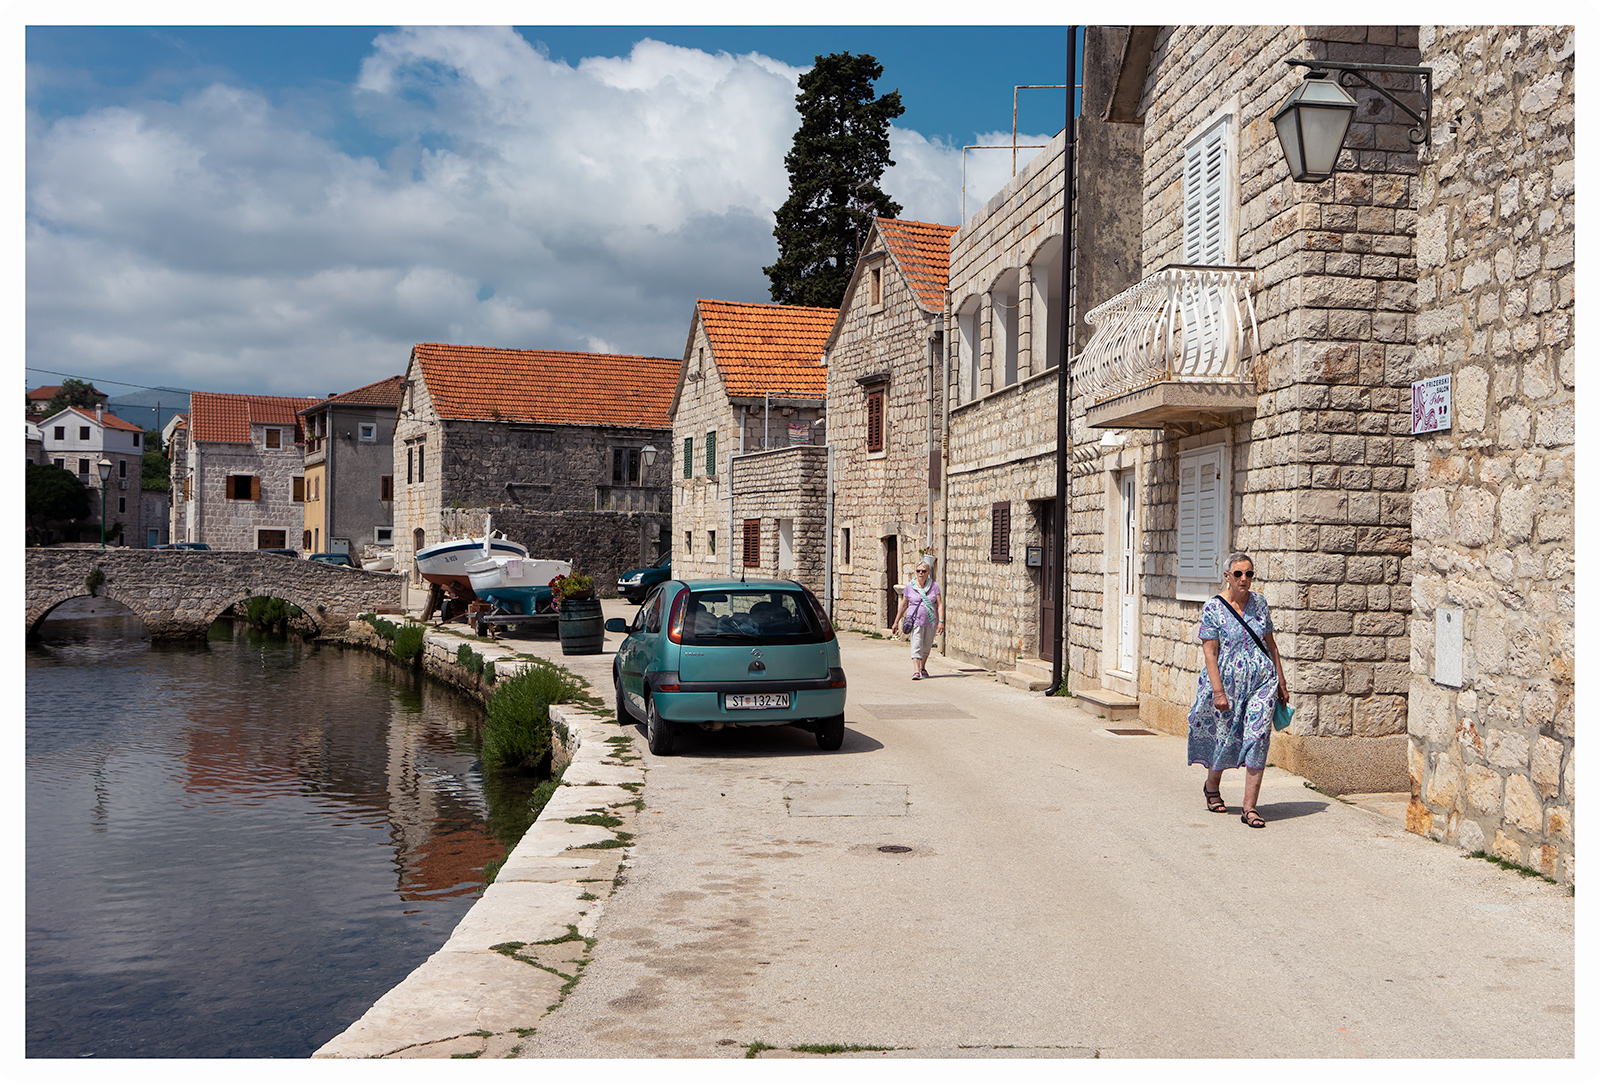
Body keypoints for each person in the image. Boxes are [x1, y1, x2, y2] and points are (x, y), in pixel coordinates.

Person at [1189, 552, 1288, 828]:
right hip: (1228, 686)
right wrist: (1218, 692)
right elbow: (1210, 653)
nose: (1244, 579)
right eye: (1238, 574)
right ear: (1227, 576)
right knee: (1225, 739)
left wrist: (1281, 681)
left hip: (1262, 682)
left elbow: (1271, 644)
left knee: (1258, 738)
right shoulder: (1213, 608)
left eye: (1249, 574)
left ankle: (1250, 808)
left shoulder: (1260, 604)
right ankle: (1212, 786)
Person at [888, 557, 944, 680]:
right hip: (915, 621)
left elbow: (939, 604)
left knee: (926, 646)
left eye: (923, 571)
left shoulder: (934, 587)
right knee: (916, 644)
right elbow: (903, 605)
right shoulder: (910, 586)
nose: (920, 573)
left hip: (930, 621)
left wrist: (941, 621)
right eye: (918, 571)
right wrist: (896, 622)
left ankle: (922, 667)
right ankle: (916, 671)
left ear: (928, 573)